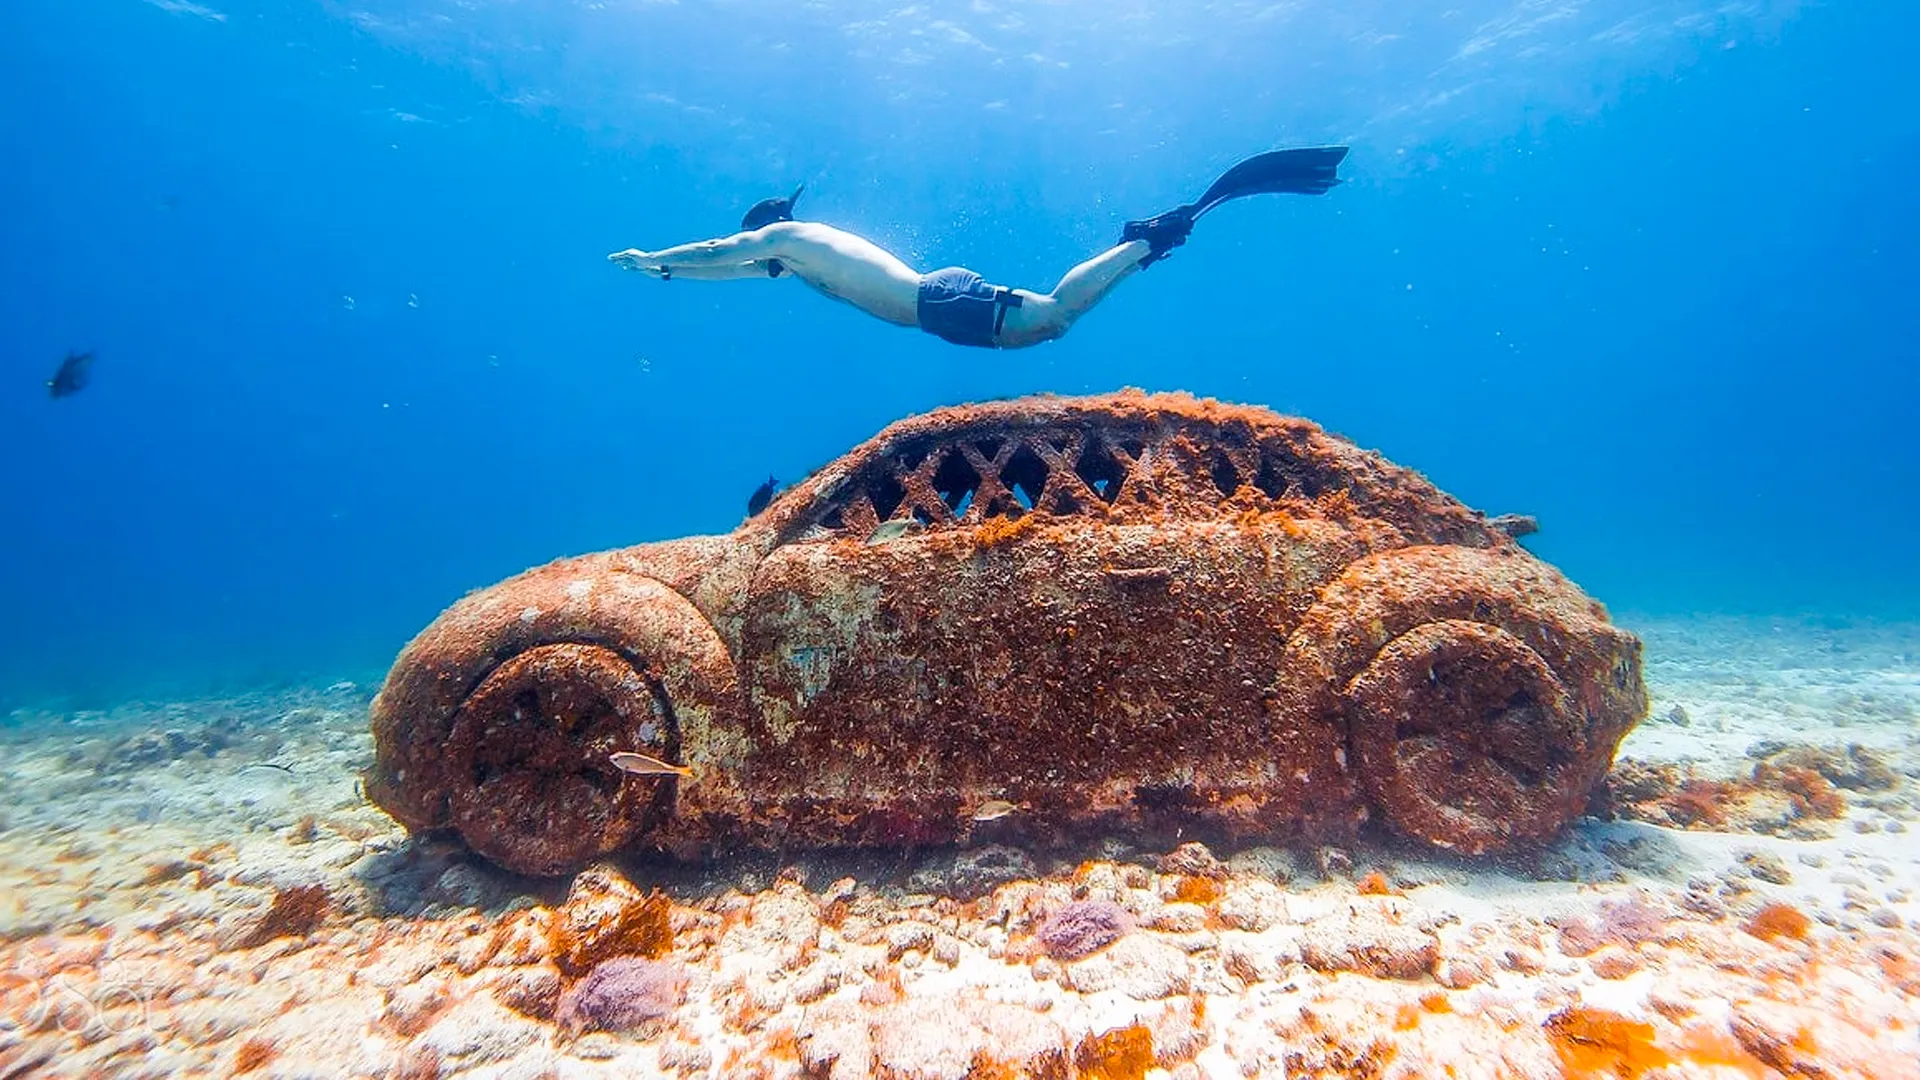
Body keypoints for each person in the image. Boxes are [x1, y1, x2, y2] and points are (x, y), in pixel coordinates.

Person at [608, 146, 1349, 350]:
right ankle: (1144, 247)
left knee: (1053, 317)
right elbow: (730, 273)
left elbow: (720, 252)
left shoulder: (784, 235)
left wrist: (654, 261)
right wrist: (675, 278)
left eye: (755, 250)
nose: (758, 265)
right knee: (1050, 325)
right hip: (936, 308)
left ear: (761, 228)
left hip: (936, 299)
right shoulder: (793, 255)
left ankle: (1142, 241)